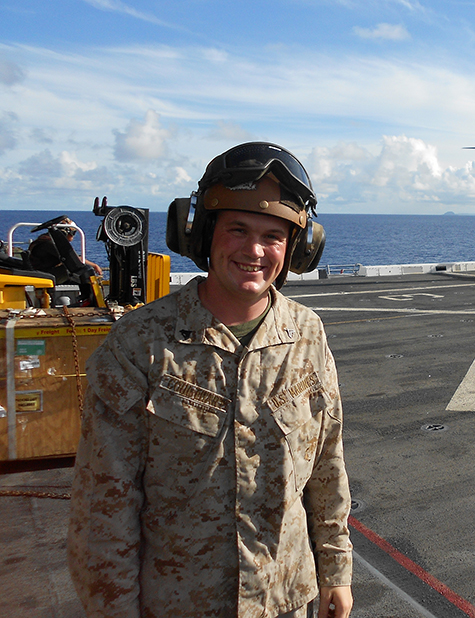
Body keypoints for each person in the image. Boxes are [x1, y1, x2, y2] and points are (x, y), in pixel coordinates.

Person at [67, 142, 353, 618]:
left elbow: (326, 463)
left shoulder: (307, 333)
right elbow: (104, 503)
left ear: (298, 248)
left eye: (273, 236)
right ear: (202, 233)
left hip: (286, 599)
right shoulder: (139, 344)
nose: (254, 251)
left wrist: (336, 570)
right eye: (237, 229)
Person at [28, 216, 103, 304]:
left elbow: (71, 257)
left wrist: (93, 265)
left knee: (81, 271)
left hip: (42, 271)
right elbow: (70, 258)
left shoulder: (46, 240)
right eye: (73, 233)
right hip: (43, 274)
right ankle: (90, 301)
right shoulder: (50, 243)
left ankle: (86, 298)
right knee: (84, 271)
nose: (73, 236)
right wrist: (91, 267)